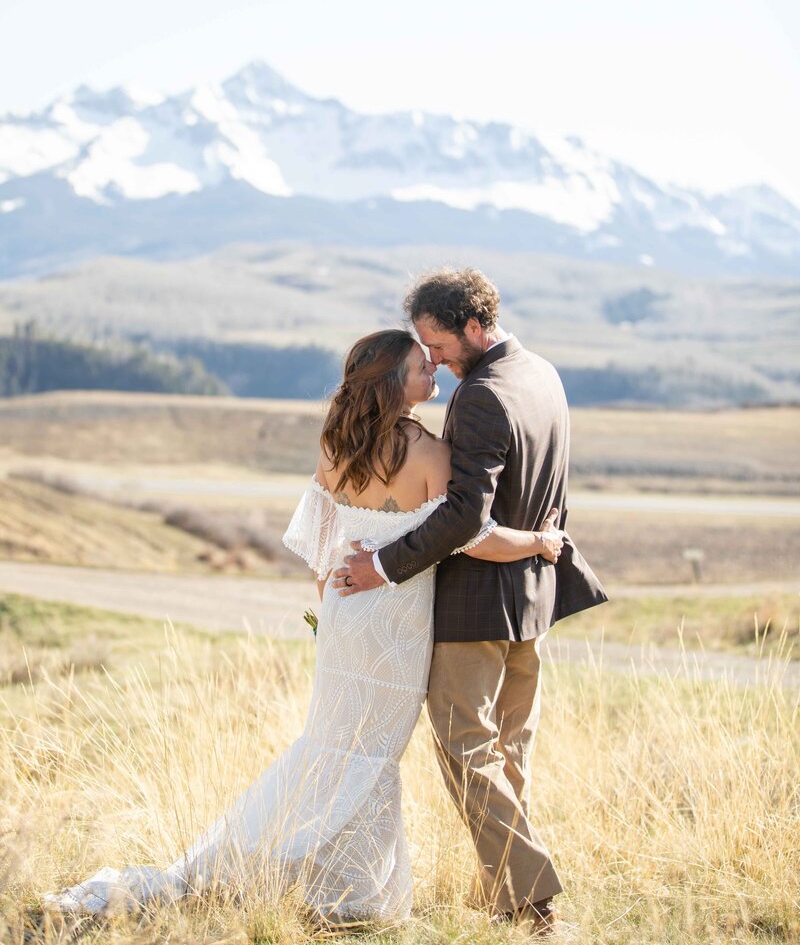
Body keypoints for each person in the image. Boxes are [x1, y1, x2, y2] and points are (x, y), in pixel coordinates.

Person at [44, 328, 565, 925]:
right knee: (370, 755)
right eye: (424, 368)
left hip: (346, 618)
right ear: (397, 386)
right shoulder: (428, 453)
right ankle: (345, 890)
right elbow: (471, 535)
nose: (436, 375)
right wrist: (539, 541)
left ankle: (322, 878)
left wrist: (334, 612)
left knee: (335, 745)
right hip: (397, 630)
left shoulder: (335, 446)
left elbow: (321, 546)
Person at [334, 270, 607, 935]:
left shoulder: (483, 395)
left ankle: (531, 900)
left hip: (477, 605)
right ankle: (503, 891)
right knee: (507, 746)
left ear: (473, 327)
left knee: (464, 746)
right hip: (532, 595)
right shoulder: (540, 372)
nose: (433, 360)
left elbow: (463, 518)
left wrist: (382, 565)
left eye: (438, 344)